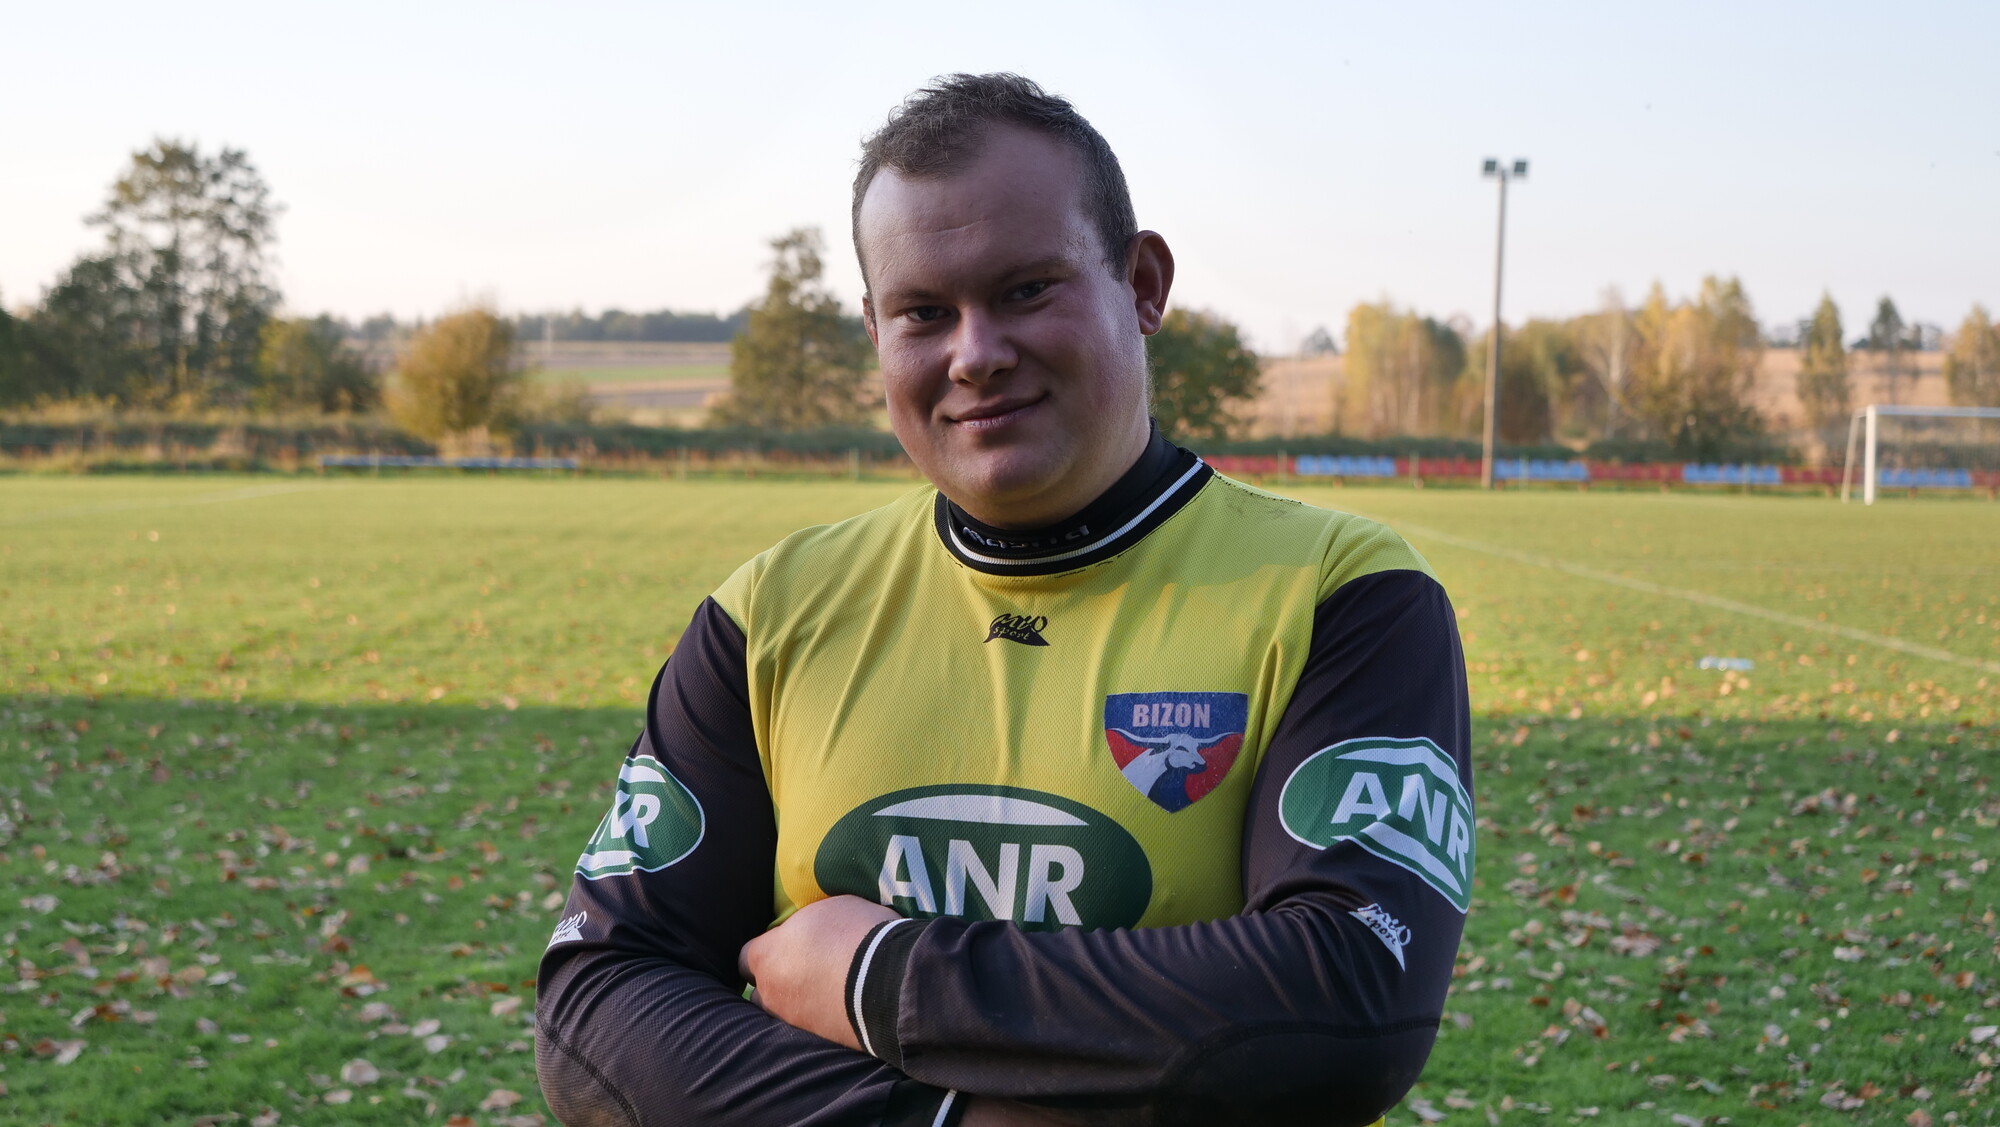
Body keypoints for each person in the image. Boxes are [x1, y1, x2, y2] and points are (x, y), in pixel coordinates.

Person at [535, 73, 1473, 1127]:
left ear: (1142, 284)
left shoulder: (1343, 593)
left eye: (1026, 290)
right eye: (924, 312)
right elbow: (598, 998)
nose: (975, 354)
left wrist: (883, 977)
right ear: (874, 329)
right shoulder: (769, 613)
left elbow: (1347, 993)